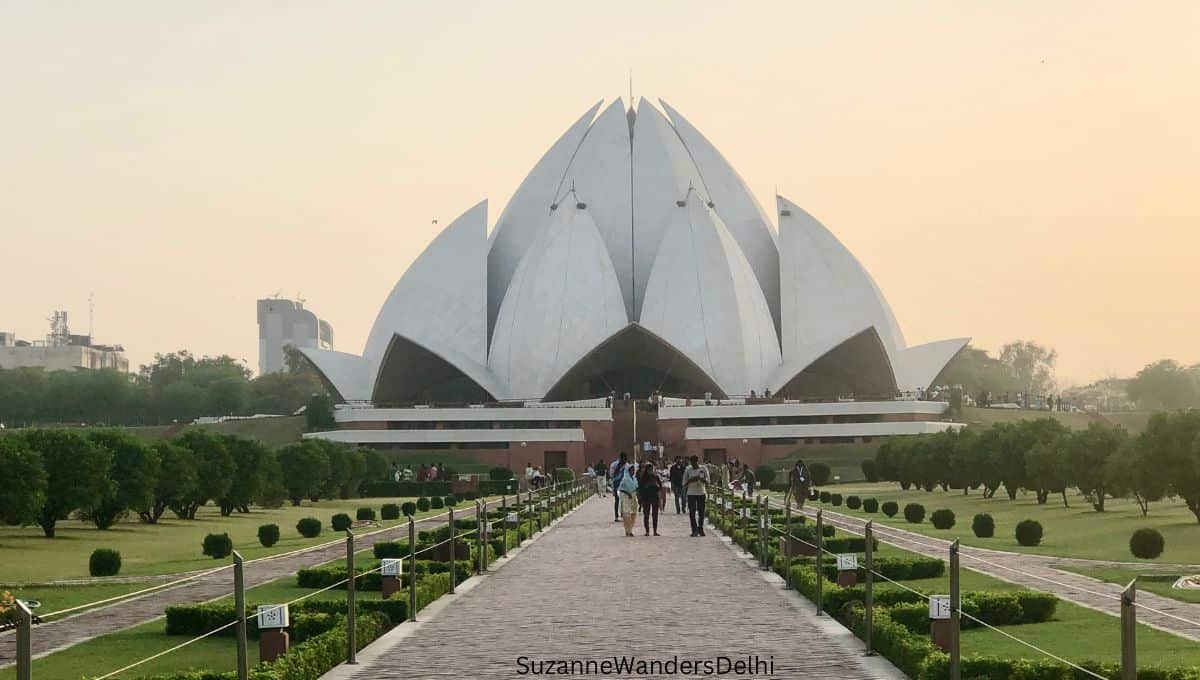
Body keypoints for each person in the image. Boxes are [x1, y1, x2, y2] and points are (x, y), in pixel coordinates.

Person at [683, 455, 709, 537]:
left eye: (695, 463)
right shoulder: (688, 470)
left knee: (701, 512)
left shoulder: (703, 469)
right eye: (692, 464)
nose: (694, 465)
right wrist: (692, 480)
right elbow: (684, 483)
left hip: (701, 492)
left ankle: (700, 528)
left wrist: (701, 479)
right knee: (692, 512)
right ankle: (694, 530)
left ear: (698, 462)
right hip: (691, 493)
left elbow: (708, 481)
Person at [637, 462, 663, 536]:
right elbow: (640, 488)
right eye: (649, 469)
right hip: (646, 497)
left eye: (651, 469)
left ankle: (655, 531)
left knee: (655, 515)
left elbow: (660, 486)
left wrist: (656, 486)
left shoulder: (656, 477)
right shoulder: (643, 478)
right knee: (646, 515)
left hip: (654, 497)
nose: (650, 471)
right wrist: (646, 487)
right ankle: (647, 531)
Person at [617, 462, 640, 536]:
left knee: (633, 513)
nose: (633, 471)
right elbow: (620, 489)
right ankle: (628, 530)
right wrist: (628, 493)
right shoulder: (624, 479)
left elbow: (636, 488)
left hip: (633, 497)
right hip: (626, 497)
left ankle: (630, 529)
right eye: (631, 470)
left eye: (633, 470)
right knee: (626, 514)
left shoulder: (635, 479)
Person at [609, 452, 629, 521]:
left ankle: (622, 514)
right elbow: (611, 475)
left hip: (624, 485)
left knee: (623, 500)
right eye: (624, 460)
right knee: (617, 500)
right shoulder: (614, 465)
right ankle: (616, 516)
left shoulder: (626, 465)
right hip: (616, 484)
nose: (624, 461)